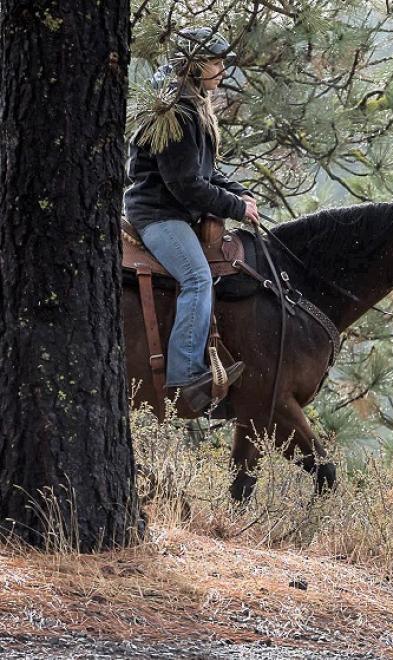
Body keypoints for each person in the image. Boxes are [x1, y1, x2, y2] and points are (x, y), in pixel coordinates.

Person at [124, 27, 256, 414]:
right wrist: (235, 208)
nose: (222, 70)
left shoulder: (189, 103)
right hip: (158, 214)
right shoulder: (178, 111)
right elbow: (185, 184)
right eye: (215, 62)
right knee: (197, 279)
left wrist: (241, 194)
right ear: (195, 66)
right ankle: (185, 378)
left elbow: (205, 172)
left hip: (172, 211)